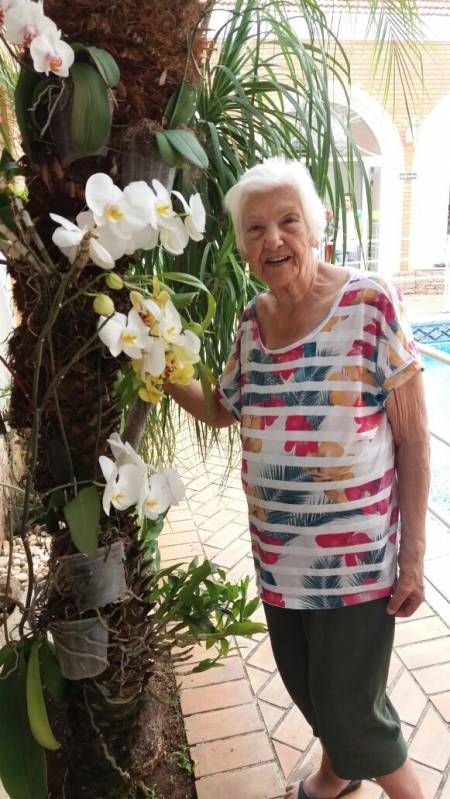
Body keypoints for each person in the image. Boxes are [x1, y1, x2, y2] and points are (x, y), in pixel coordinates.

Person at [166, 157, 430, 799]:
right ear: (243, 247)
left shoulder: (369, 303)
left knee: (353, 711)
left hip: (355, 560)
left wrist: (414, 554)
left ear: (317, 229)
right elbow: (224, 407)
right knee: (311, 688)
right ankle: (336, 776)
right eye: (255, 229)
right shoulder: (252, 323)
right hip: (279, 557)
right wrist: (159, 368)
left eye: (288, 222)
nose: (273, 240)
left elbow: (414, 436)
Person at [335, 193, 360, 264]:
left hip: (352, 244)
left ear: (351, 202)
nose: (345, 202)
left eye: (347, 200)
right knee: (343, 266)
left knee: (350, 266)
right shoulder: (338, 212)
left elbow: (360, 228)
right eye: (343, 200)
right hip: (340, 244)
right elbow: (335, 226)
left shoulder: (357, 213)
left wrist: (358, 241)